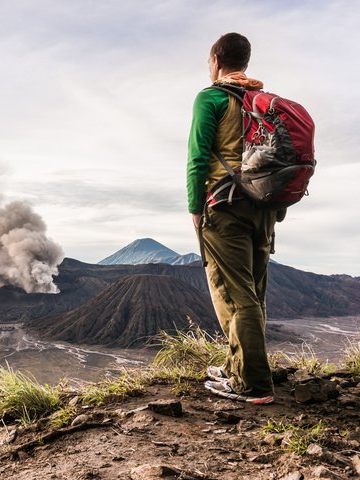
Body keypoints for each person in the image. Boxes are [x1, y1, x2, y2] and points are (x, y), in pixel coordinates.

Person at [186, 33, 276, 404]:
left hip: (224, 207)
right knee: (253, 291)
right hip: (264, 207)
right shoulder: (261, 102)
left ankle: (253, 385)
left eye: (209, 61)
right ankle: (239, 367)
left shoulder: (211, 98)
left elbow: (198, 157)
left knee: (235, 295)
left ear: (216, 59)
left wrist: (195, 207)